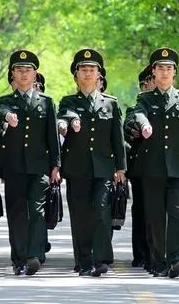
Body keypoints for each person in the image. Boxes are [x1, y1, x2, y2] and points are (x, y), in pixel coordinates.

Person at [129, 47, 179, 278]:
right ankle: (158, 260)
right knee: (155, 216)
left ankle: (176, 258)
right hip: (152, 168)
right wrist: (144, 125)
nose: (164, 72)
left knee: (176, 213)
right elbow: (137, 114)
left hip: (178, 167)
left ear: (174, 73)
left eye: (168, 68)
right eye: (160, 68)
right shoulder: (145, 99)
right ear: (154, 72)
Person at [57, 49, 126, 276]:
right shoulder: (68, 102)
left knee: (101, 212)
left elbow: (117, 138)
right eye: (83, 70)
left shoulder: (110, 104)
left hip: (104, 168)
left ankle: (101, 258)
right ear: (76, 75)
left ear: (99, 75)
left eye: (92, 70)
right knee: (80, 216)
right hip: (77, 168)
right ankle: (83, 260)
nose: (88, 73)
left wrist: (120, 168)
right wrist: (69, 122)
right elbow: (64, 116)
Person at [0, 50, 60, 276]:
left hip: (39, 167)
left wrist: (55, 166)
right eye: (19, 70)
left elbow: (52, 137)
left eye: (28, 70)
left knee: (37, 211)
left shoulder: (46, 102)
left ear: (35, 74)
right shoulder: (5, 101)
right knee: (17, 213)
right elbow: (2, 113)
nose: (24, 74)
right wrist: (7, 118)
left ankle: (34, 255)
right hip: (13, 168)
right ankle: (19, 258)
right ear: (13, 74)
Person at [124, 66, 153, 270]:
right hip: (142, 169)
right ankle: (141, 253)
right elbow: (127, 128)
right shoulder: (135, 110)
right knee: (142, 210)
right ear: (144, 85)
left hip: (166, 169)